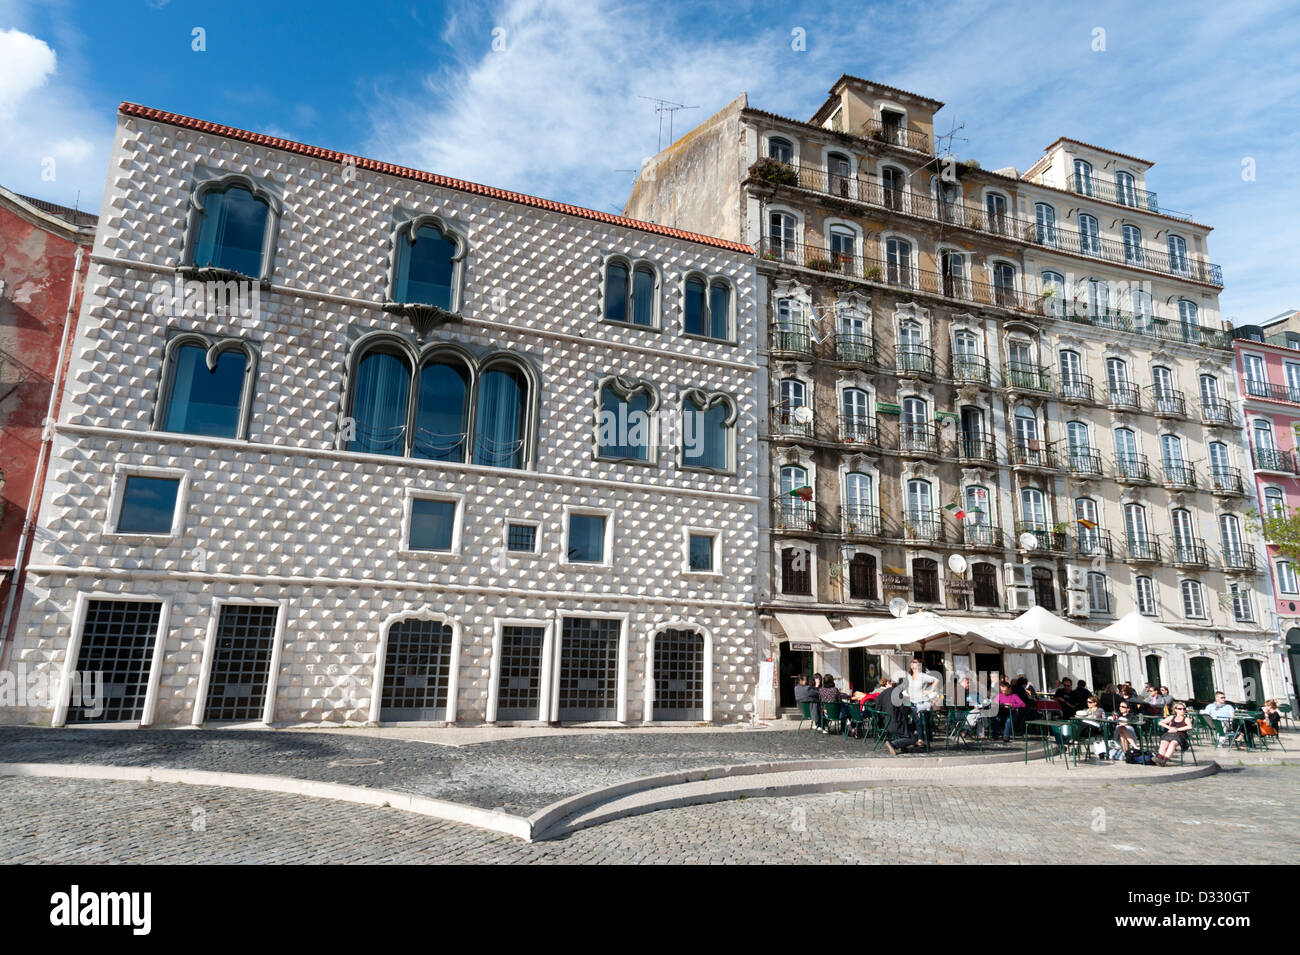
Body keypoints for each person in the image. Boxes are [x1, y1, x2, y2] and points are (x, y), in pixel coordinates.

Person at [881, 675, 923, 755]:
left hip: (885, 723)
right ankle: (893, 744)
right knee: (913, 738)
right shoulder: (899, 695)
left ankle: (903, 746)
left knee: (909, 727)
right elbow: (905, 711)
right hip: (896, 723)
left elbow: (878, 707)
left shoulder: (882, 694)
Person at [904, 659, 940, 745]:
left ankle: (919, 739)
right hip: (912, 701)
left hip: (922, 702)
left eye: (915, 662)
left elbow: (936, 680)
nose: (912, 663)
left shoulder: (922, 676)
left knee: (917, 720)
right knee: (913, 720)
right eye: (912, 662)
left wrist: (930, 690)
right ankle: (914, 738)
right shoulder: (910, 676)